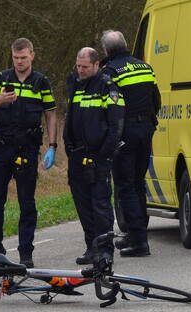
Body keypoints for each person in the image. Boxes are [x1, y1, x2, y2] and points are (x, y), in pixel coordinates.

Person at [0, 38, 57, 267]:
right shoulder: (2, 79)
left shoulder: (41, 82)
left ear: (32, 55)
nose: (19, 62)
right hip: (2, 147)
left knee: (26, 203)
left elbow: (51, 114)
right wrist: (0, 99)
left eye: (23, 57)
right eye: (15, 58)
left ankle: (25, 253)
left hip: (28, 149)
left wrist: (52, 146)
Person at [99, 30, 161, 257]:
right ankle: (137, 236)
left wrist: (109, 136)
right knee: (138, 183)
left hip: (124, 133)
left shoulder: (110, 71)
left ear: (106, 50)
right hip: (146, 130)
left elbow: (111, 108)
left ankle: (138, 242)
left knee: (125, 186)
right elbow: (157, 100)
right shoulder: (145, 67)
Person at [63, 47, 124, 264]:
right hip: (77, 156)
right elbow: (70, 119)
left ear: (97, 65)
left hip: (98, 157)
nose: (80, 70)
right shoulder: (76, 86)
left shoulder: (107, 87)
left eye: (85, 67)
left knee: (100, 205)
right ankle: (91, 247)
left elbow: (116, 124)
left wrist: (105, 155)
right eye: (78, 66)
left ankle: (105, 250)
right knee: (82, 204)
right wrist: (68, 147)